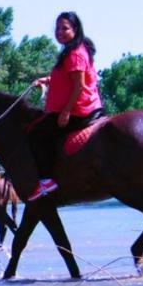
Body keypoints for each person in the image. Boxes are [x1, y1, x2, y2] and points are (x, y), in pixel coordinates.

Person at [25, 11, 104, 201]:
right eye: (58, 28)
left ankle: (46, 181)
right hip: (86, 105)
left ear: (75, 30)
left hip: (79, 110)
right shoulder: (75, 49)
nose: (59, 32)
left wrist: (66, 112)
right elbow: (69, 79)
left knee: (35, 134)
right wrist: (49, 80)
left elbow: (79, 85)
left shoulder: (75, 54)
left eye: (65, 28)